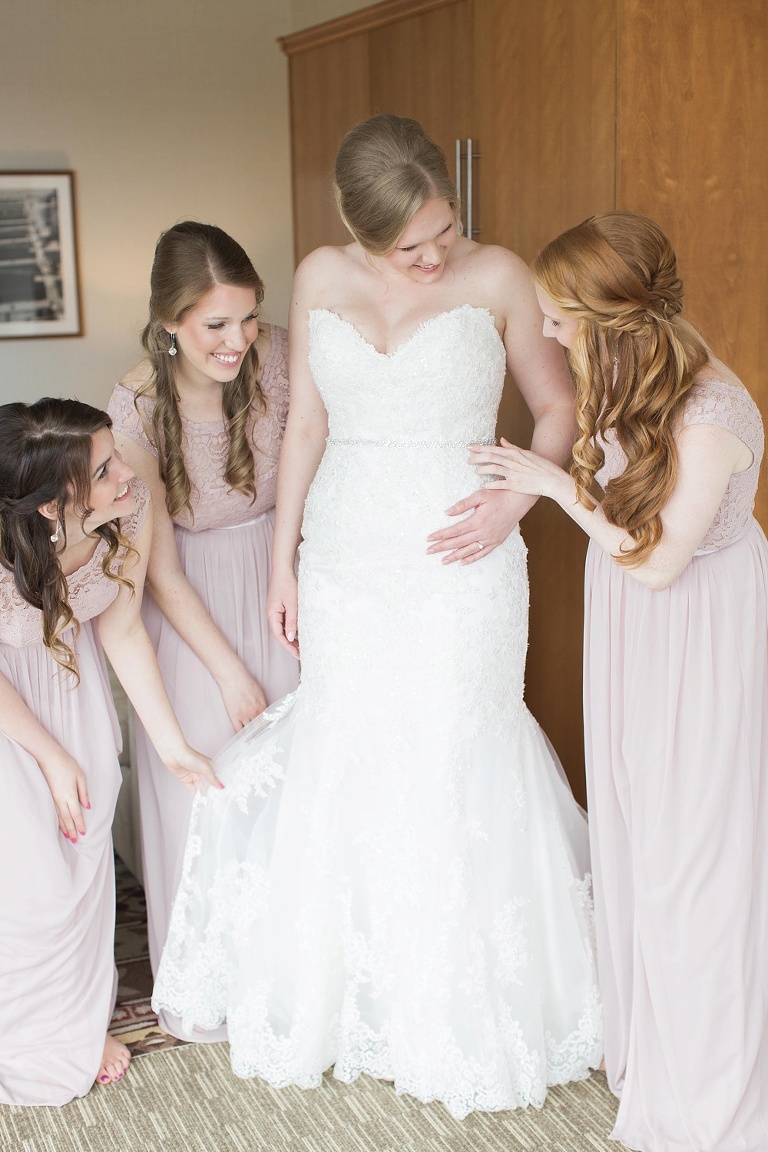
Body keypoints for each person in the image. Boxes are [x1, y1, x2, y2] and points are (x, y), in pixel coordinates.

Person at [153, 114, 602, 1118]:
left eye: (443, 227)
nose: (435, 254)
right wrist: (285, 562)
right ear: (360, 235)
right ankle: (357, 997)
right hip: (347, 554)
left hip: (465, 550)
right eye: (410, 246)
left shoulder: (497, 277)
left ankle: (468, 1002)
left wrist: (520, 499)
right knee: (352, 745)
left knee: (454, 746)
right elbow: (307, 422)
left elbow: (557, 406)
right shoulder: (318, 276)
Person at [470, 211, 768, 1149]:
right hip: (634, 629)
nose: (549, 332)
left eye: (561, 316)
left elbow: (664, 561)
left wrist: (555, 491)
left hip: (695, 635)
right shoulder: (621, 381)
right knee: (637, 836)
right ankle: (654, 1046)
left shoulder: (712, 409)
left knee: (695, 858)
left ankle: (711, 1095)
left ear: (611, 316)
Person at [108, 222, 298, 1040]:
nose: (238, 340)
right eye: (215, 324)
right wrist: (224, 667)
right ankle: (218, 985)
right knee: (211, 789)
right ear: (170, 323)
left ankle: (297, 975)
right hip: (188, 601)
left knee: (294, 784)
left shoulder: (284, 359)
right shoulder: (139, 407)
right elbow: (161, 569)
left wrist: (296, 575)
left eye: (248, 317)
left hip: (281, 573)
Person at [0, 398, 220, 1107]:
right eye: (104, 469)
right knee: (29, 891)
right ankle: (25, 1039)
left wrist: (172, 745)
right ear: (47, 507)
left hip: (76, 696)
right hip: (11, 712)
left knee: (82, 874)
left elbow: (122, 629)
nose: (127, 471)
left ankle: (74, 1024)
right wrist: (48, 755)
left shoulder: (132, 512)